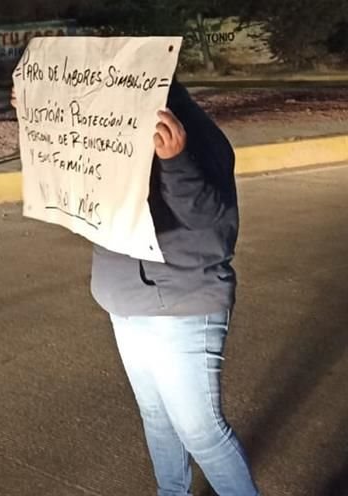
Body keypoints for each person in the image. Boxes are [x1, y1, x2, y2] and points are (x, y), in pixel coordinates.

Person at [91, 80, 259, 494]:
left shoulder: (193, 130)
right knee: (157, 416)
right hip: (123, 296)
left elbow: (212, 222)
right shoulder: (104, 121)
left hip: (183, 302)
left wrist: (176, 161)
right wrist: (39, 115)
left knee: (201, 431)